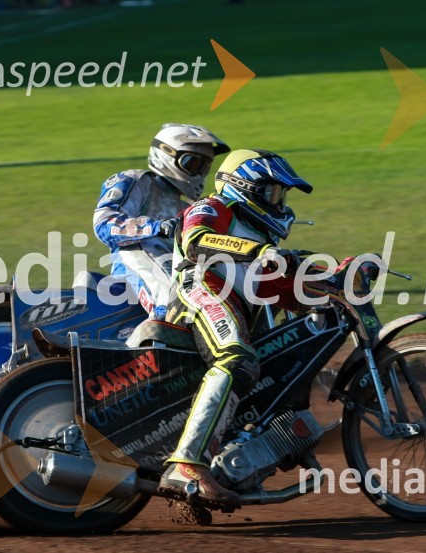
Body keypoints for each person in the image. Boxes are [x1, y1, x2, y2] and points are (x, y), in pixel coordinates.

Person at [159, 149, 312, 507]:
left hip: (234, 307)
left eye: (282, 195)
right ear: (244, 187)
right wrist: (256, 250)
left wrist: (341, 275)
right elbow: (197, 240)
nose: (279, 202)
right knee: (237, 358)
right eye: (272, 192)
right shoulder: (213, 207)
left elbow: (284, 290)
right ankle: (186, 466)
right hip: (200, 288)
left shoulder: (261, 241)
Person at [93, 123, 229, 321]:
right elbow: (104, 224)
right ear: (166, 154)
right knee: (171, 301)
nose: (199, 174)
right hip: (134, 263)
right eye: (193, 164)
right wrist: (155, 228)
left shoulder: (189, 207)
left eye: (204, 167)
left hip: (177, 267)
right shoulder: (136, 180)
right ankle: (164, 322)